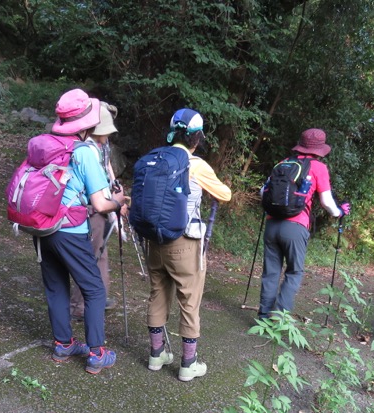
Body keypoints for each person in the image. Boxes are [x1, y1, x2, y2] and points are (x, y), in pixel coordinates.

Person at [39, 89, 126, 374]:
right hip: (69, 228)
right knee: (94, 289)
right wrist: (120, 202)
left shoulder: (48, 143)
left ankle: (63, 345)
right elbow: (100, 203)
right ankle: (97, 352)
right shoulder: (84, 151)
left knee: (56, 287)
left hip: (42, 225)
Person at [145, 108, 232, 382]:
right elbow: (225, 194)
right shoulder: (196, 165)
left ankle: (156, 356)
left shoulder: (155, 158)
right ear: (197, 138)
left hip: (154, 240)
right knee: (189, 300)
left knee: (158, 293)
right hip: (184, 243)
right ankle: (187, 364)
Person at [257, 128, 350, 320]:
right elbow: (326, 202)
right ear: (320, 149)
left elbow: (262, 192)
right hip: (296, 226)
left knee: (271, 272)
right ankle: (279, 315)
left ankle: (264, 315)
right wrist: (339, 211)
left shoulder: (282, 163)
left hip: (272, 223)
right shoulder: (318, 168)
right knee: (294, 271)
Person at [69, 102, 122, 321]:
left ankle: (97, 299)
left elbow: (107, 167)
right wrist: (114, 203)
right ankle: (79, 306)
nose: (108, 134)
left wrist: (114, 184)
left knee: (99, 253)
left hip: (99, 208)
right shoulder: (85, 149)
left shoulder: (101, 145)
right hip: (90, 210)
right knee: (90, 257)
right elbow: (94, 189)